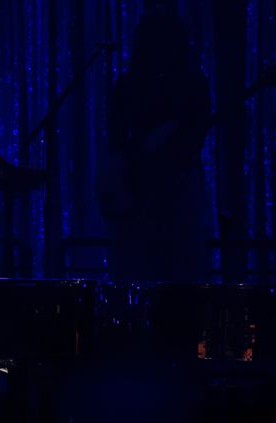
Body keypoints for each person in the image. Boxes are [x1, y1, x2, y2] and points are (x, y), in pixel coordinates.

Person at [99, 0, 213, 283]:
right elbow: (116, 140)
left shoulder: (190, 84)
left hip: (173, 193)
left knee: (173, 276)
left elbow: (191, 141)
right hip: (140, 195)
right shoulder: (130, 85)